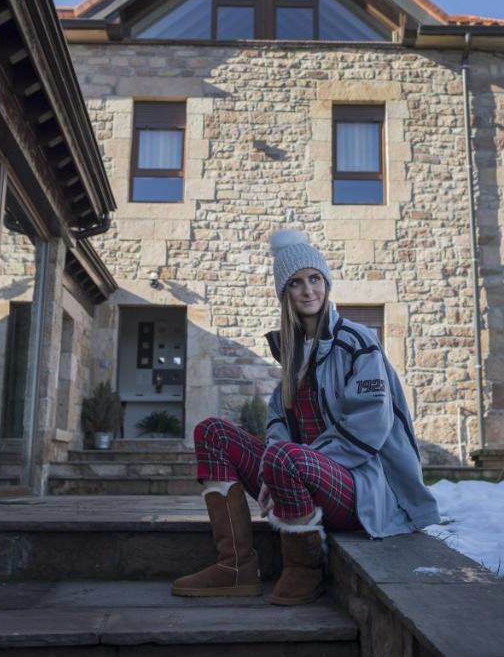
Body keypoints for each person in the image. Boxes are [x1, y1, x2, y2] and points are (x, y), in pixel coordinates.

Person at [171, 228, 439, 605]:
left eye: (315, 279)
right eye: (296, 283)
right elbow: (279, 420)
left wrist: (286, 463)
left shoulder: (358, 342)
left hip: (359, 489)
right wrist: (273, 469)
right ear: (285, 294)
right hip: (297, 477)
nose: (308, 290)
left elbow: (370, 427)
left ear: (326, 283)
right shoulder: (292, 351)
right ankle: (235, 565)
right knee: (213, 432)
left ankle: (305, 569)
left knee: (284, 456)